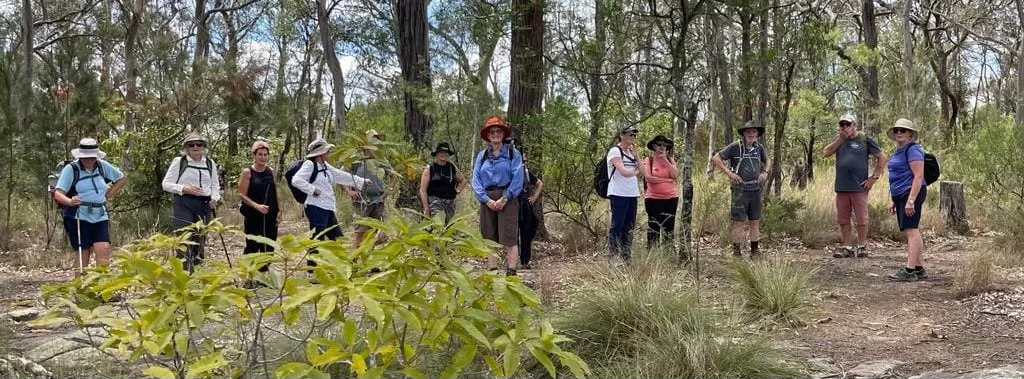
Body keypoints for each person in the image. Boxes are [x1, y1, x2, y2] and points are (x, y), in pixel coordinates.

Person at [291, 138, 370, 270]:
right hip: (315, 207)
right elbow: (296, 180)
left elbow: (340, 175)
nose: (329, 153)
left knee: (337, 237)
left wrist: (361, 181)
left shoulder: (325, 166)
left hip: (327, 207)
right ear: (320, 153)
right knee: (317, 239)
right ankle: (312, 271)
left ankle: (341, 267)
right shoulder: (310, 165)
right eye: (327, 151)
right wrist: (312, 190)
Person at [52, 138, 127, 271]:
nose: (89, 160)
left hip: (100, 214)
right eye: (85, 158)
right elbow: (58, 193)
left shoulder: (102, 166)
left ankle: (102, 288)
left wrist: (108, 194)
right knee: (83, 253)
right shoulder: (71, 169)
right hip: (78, 215)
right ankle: (80, 287)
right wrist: (69, 201)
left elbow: (121, 178)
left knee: (103, 248)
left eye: (92, 157)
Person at [822, 114, 887, 258]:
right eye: (842, 125)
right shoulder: (839, 140)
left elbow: (882, 158)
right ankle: (846, 246)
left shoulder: (864, 139)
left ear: (854, 125)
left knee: (861, 218)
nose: (845, 127)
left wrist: (873, 178)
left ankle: (862, 246)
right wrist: (840, 139)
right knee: (843, 218)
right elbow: (826, 153)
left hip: (860, 187)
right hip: (842, 186)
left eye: (848, 124)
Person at [471, 116, 525, 276]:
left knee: (509, 236)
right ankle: (492, 271)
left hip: (507, 197)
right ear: (488, 135)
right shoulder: (482, 156)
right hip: (487, 199)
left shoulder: (512, 153)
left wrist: (505, 198)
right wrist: (486, 200)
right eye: (492, 132)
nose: (495, 134)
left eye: (498, 131)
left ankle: (511, 271)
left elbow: (518, 177)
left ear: (503, 134)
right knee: (489, 237)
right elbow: (475, 179)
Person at [711, 121, 772, 258]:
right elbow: (716, 158)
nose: (751, 134)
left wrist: (765, 172)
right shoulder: (735, 147)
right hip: (740, 189)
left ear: (757, 134)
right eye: (748, 132)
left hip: (755, 189)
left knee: (754, 221)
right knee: (738, 222)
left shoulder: (759, 148)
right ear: (744, 133)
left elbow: (768, 160)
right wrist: (730, 173)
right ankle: (737, 253)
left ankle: (754, 251)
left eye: (754, 132)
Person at [162, 133, 221, 272]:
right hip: (184, 204)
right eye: (191, 144)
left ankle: (198, 275)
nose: (195, 147)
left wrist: (215, 198)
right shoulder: (179, 162)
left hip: (204, 205)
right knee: (184, 240)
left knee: (200, 241)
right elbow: (165, 184)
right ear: (186, 148)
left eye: (198, 144)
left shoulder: (209, 163)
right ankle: (184, 275)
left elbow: (215, 185)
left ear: (203, 147)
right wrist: (184, 188)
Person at [886, 118, 928, 281]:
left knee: (912, 230)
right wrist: (891, 198)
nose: (899, 133)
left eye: (903, 130)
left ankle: (909, 271)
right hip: (900, 193)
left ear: (910, 134)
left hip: (910, 192)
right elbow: (893, 177)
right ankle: (918, 268)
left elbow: (918, 176)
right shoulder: (898, 151)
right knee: (910, 230)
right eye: (896, 130)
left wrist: (911, 200)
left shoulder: (913, 150)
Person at [237, 140, 280, 280]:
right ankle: (248, 276)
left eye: (265, 154)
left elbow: (275, 191)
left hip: (270, 213)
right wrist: (256, 206)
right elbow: (241, 194)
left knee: (269, 244)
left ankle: (262, 276)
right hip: (253, 215)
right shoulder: (247, 172)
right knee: (252, 245)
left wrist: (280, 210)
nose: (263, 157)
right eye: (260, 154)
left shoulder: (270, 171)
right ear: (254, 156)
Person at [347, 129, 393, 246]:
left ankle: (370, 262)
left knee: (375, 232)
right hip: (361, 200)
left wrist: (388, 189)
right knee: (359, 232)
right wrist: (348, 190)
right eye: (373, 140)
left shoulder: (381, 159)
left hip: (378, 200)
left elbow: (393, 175)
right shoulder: (356, 158)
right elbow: (343, 174)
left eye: (377, 140)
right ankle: (355, 261)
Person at [606, 124, 642, 266]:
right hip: (618, 193)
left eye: (634, 135)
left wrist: (637, 157)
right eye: (630, 134)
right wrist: (635, 173)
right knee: (618, 224)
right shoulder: (615, 151)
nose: (632, 137)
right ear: (622, 136)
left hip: (632, 193)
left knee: (629, 225)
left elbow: (643, 173)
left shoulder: (631, 153)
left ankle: (626, 254)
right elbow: (623, 171)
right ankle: (613, 255)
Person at [506, 137, 543, 269]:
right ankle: (512, 263)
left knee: (526, 233)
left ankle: (525, 261)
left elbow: (539, 183)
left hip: (525, 204)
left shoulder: (525, 171)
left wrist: (533, 198)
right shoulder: (505, 169)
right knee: (512, 234)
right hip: (510, 202)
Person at [642, 134, 678, 250]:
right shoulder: (649, 160)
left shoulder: (670, 160)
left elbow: (675, 175)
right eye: (659, 145)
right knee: (654, 227)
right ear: (654, 146)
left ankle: (669, 252)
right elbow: (648, 178)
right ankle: (653, 253)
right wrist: (667, 180)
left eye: (664, 145)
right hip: (653, 199)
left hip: (671, 198)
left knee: (669, 227)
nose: (662, 147)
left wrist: (665, 161)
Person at [419, 141, 465, 223]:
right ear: (436, 154)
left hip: (450, 203)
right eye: (441, 152)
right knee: (438, 225)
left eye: (445, 152)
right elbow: (423, 190)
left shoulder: (452, 167)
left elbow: (462, 180)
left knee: (448, 228)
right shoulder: (430, 168)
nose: (443, 154)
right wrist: (426, 209)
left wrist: (458, 190)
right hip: (435, 202)